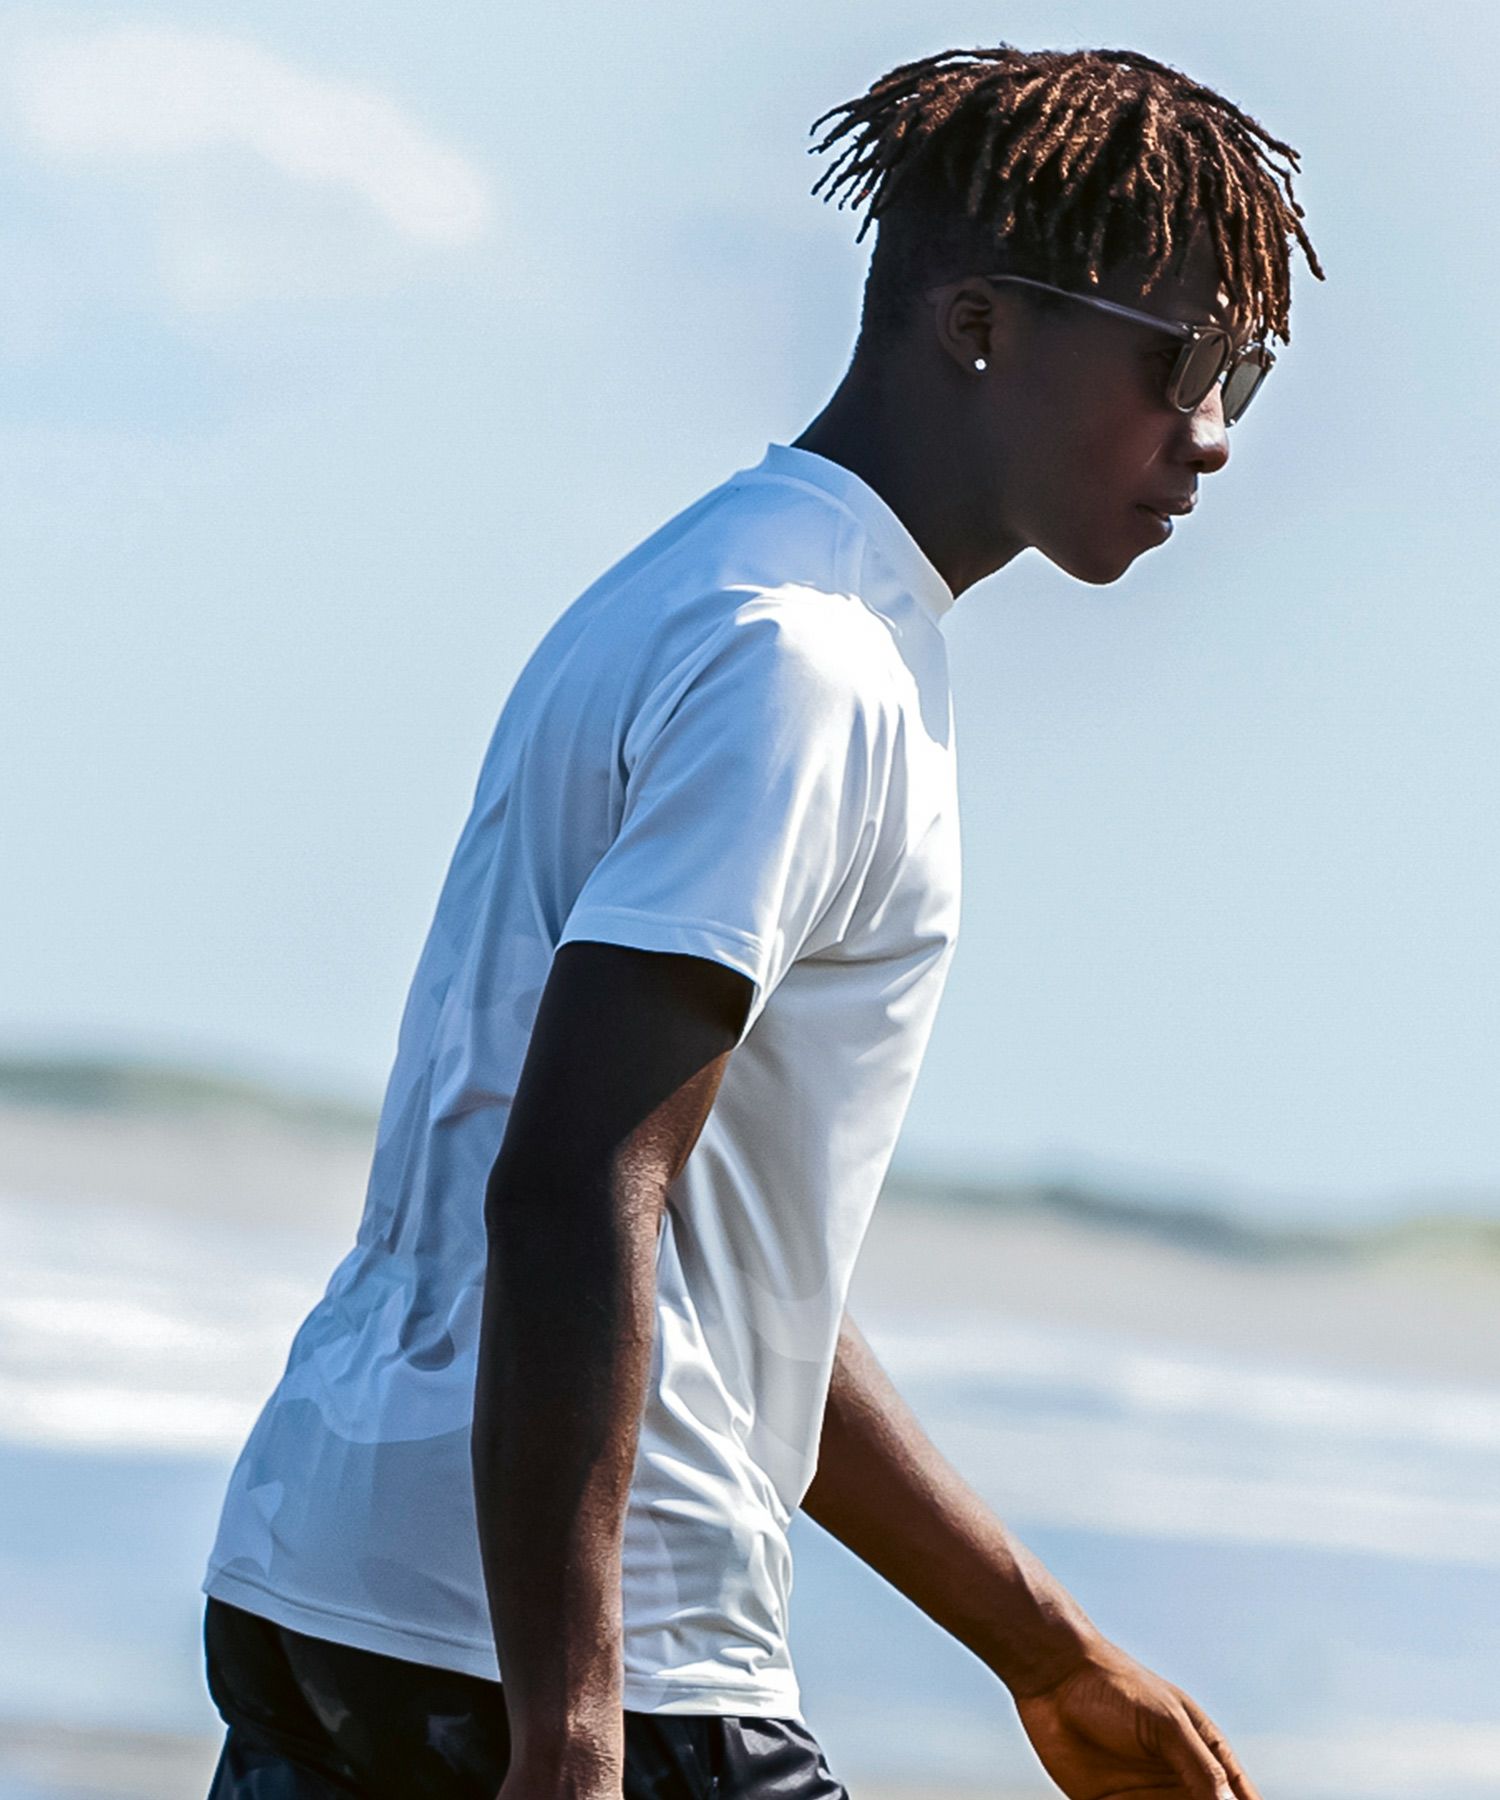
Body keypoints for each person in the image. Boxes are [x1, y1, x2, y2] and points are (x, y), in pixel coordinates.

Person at [199, 40, 1324, 1800]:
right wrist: (571, 1733)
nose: (1216, 430)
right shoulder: (806, 662)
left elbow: (717, 1278)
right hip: (598, 1663)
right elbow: (572, 1185)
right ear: (978, 325)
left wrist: (1044, 1650)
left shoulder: (710, 584)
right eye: (1180, 359)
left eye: (1244, 369)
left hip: (332, 1589)